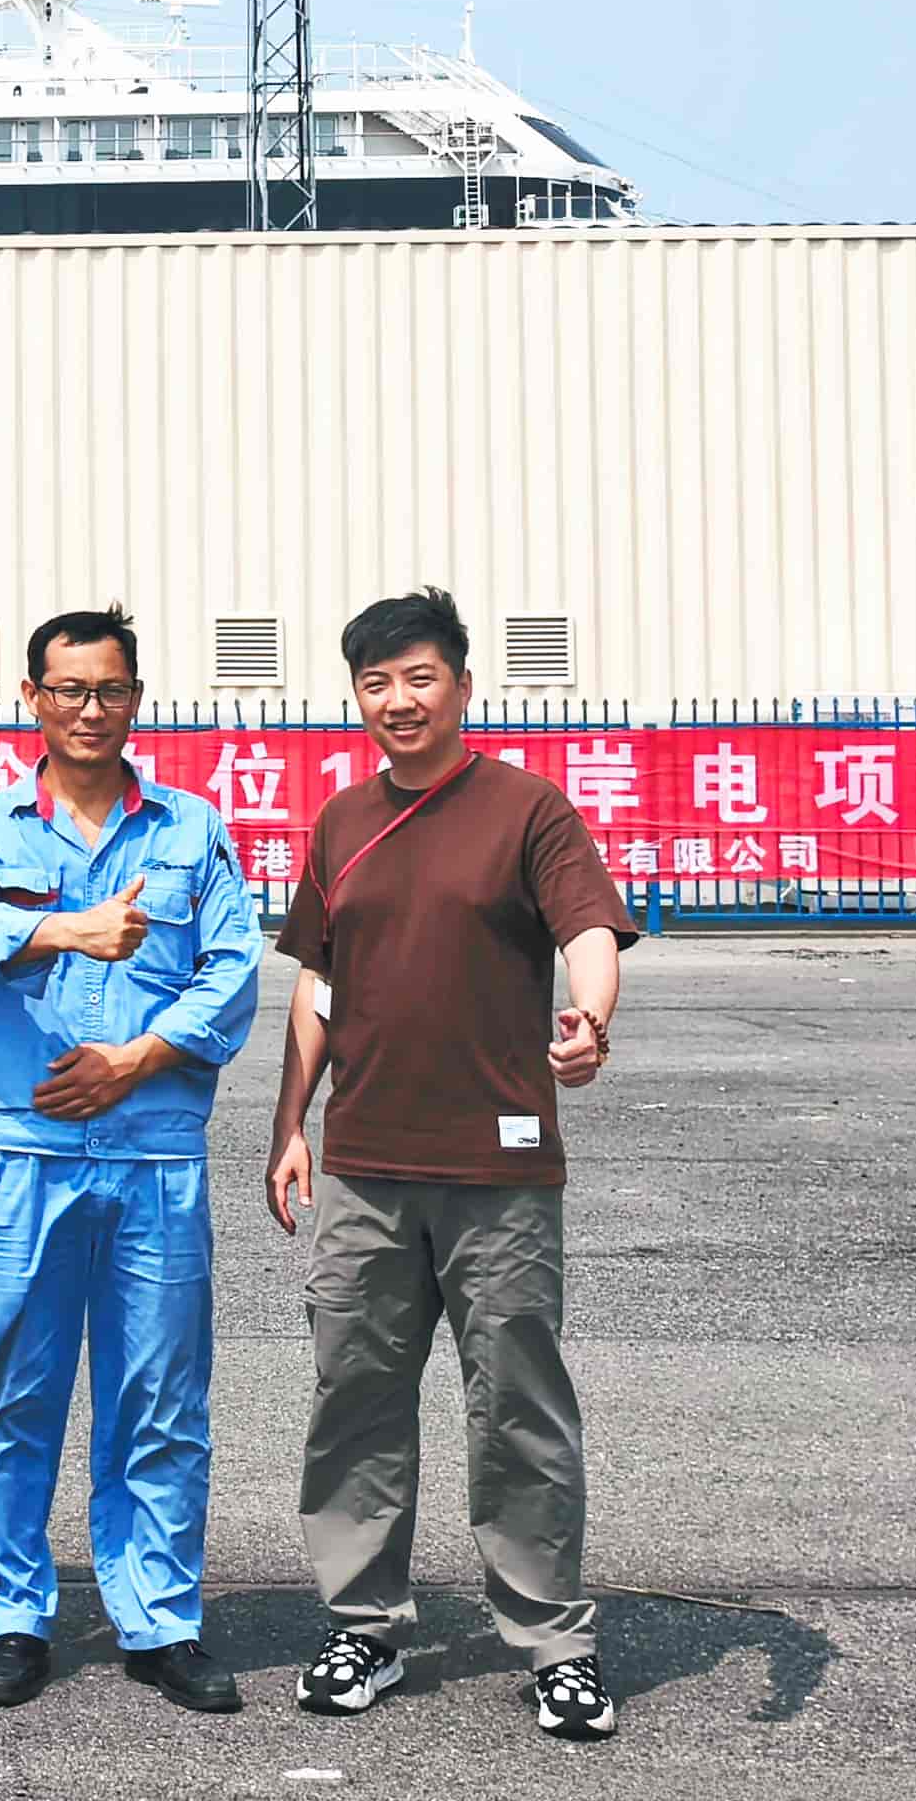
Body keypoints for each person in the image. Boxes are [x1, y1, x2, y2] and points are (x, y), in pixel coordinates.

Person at [266, 588, 634, 1740]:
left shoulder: (526, 809)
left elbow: (585, 927)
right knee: (355, 1401)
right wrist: (289, 1122)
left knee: (517, 1406)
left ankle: (553, 1641)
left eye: (417, 676)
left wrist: (589, 1017)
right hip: (366, 1166)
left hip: (498, 1169)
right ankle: (362, 1625)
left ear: (462, 686)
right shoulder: (340, 821)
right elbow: (317, 982)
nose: (397, 699)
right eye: (374, 681)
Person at [0, 607, 262, 1713]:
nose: (88, 709)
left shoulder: (189, 827)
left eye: (108, 689)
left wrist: (136, 1059)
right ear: (30, 696)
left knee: (159, 1396)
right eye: (66, 688)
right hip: (21, 1151)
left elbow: (232, 966)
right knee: (10, 1391)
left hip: (153, 1151)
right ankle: (8, 1614)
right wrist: (68, 928)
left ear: (135, 699)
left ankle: (159, 1618)